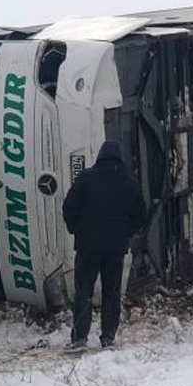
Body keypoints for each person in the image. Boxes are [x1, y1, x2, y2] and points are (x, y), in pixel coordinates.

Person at [61, 141, 146, 352]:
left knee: (83, 291)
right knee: (112, 291)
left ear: (100, 156)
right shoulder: (130, 182)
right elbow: (141, 216)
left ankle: (80, 338)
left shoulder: (86, 178)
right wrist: (126, 233)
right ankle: (108, 337)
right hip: (115, 248)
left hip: (87, 246)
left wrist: (75, 230)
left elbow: (69, 207)